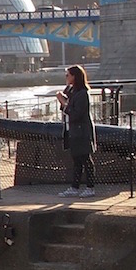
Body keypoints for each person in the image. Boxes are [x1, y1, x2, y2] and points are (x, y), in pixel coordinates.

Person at [56, 64, 97, 195]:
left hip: (81, 131)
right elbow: (68, 106)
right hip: (73, 130)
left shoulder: (82, 94)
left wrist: (63, 103)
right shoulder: (73, 91)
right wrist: (64, 98)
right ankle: (75, 187)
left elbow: (77, 113)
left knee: (85, 159)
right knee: (76, 160)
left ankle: (90, 188)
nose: (66, 77)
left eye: (68, 75)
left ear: (74, 76)